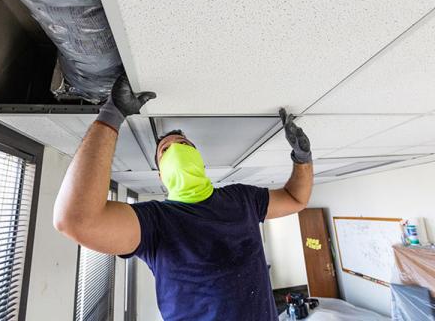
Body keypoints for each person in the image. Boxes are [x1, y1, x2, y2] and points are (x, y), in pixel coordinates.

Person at [54, 74, 313, 321]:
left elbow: (295, 199)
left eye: (185, 145)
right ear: (160, 176)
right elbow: (77, 219)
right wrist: (113, 113)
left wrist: (302, 159)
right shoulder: (155, 222)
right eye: (165, 150)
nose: (176, 149)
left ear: (200, 160)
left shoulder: (241, 198)